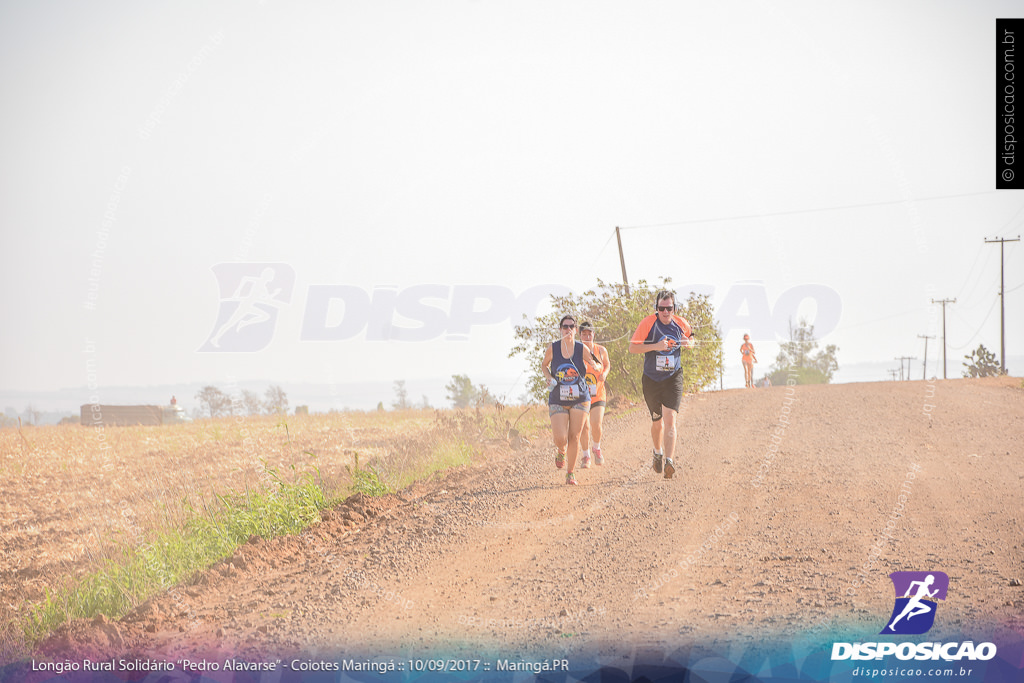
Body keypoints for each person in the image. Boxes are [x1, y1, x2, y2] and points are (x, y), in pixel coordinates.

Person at [629, 290, 694, 479]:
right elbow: (633, 347)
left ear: (674, 308)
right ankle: (657, 452)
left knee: (670, 419)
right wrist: (656, 346)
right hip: (651, 379)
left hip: (673, 377)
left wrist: (687, 343)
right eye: (661, 308)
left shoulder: (681, 323)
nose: (665, 312)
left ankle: (670, 461)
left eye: (669, 308)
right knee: (657, 422)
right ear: (656, 308)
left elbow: (692, 339)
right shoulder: (648, 323)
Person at [542, 315, 603, 485]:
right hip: (558, 397)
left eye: (571, 327)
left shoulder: (580, 347)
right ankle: (561, 450)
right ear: (560, 329)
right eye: (565, 327)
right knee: (561, 438)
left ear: (576, 330)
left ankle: (570, 473)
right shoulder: (553, 348)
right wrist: (548, 377)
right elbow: (544, 365)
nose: (568, 330)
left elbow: (595, 361)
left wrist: (596, 366)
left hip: (580, 397)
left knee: (574, 436)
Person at [578, 321, 610, 467]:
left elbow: (607, 364)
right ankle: (586, 456)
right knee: (584, 427)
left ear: (593, 334)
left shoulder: (601, 350)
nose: (587, 336)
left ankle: (596, 448)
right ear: (579, 336)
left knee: (596, 424)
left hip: (598, 393)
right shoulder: (576, 352)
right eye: (583, 334)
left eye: (589, 333)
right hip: (581, 395)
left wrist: (604, 373)